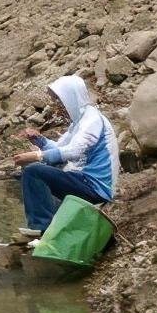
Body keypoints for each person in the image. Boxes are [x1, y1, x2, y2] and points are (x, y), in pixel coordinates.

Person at [11, 74, 119, 237]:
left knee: (34, 171)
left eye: (59, 100)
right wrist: (40, 140)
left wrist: (36, 156)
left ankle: (42, 229)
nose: (57, 105)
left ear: (71, 97)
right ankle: (48, 225)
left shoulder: (92, 120)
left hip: (95, 188)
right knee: (33, 173)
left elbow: (73, 151)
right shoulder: (80, 121)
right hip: (83, 180)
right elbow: (61, 148)